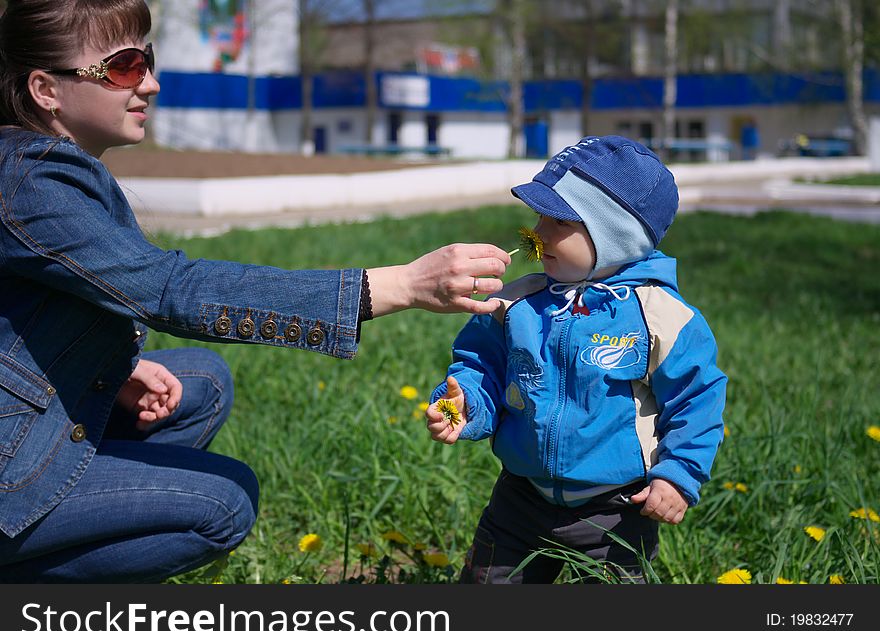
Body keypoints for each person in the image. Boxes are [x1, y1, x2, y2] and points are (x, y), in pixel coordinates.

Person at [0, 0, 510, 583]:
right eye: (125, 67)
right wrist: (394, 285)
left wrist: (108, 364)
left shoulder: (35, 165)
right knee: (225, 502)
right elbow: (169, 289)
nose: (152, 83)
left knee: (201, 382)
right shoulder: (29, 185)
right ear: (46, 88)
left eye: (149, 60)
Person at [426, 136, 727, 583]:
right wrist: (466, 403)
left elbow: (696, 398)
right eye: (539, 216)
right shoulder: (516, 305)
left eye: (558, 220)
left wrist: (678, 474)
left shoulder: (660, 316)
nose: (538, 232)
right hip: (521, 496)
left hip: (619, 507)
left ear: (615, 237)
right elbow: (481, 366)